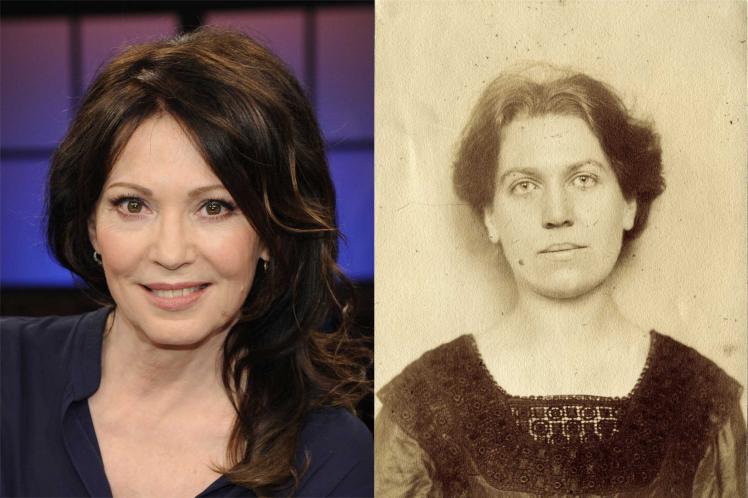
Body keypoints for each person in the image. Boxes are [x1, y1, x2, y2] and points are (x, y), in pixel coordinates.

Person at [1, 28, 372, 498]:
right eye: (133, 205)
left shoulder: (335, 460)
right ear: (91, 224)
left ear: (271, 233)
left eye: (214, 207)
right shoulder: (9, 374)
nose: (171, 253)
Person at [375, 65, 745, 497]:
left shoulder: (701, 402)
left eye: (584, 180)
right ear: (490, 216)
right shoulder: (423, 406)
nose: (557, 213)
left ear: (628, 202)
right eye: (525, 185)